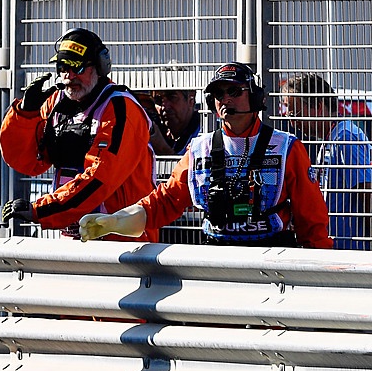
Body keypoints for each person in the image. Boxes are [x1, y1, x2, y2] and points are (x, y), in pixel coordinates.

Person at [79, 62, 332, 248]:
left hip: (270, 257)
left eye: (234, 91)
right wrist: (116, 221)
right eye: (219, 94)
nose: (226, 99)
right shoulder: (200, 149)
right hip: (217, 258)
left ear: (255, 97)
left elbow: (312, 220)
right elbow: (166, 201)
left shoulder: (287, 148)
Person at [0, 28, 158, 241]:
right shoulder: (56, 104)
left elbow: (100, 178)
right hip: (75, 236)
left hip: (123, 241)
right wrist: (26, 114)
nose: (69, 76)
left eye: (77, 67)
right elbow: (25, 162)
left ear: (100, 67)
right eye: (62, 67)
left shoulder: (121, 109)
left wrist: (42, 210)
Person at [281, 73, 372, 251]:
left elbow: (367, 193)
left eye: (295, 114)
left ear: (318, 106)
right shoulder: (333, 137)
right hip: (339, 249)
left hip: (353, 251)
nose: (292, 122)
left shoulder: (345, 139)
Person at [152, 86, 202, 155]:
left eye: (172, 97)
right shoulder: (159, 132)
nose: (164, 107)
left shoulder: (203, 133)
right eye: (158, 100)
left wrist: (163, 150)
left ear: (191, 101)